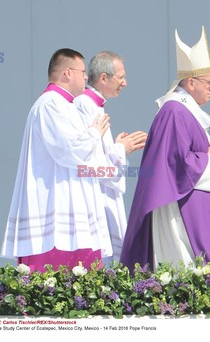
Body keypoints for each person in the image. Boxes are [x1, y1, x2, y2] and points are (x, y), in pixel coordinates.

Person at [120, 27, 210, 275]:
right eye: (208, 83)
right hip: (179, 207)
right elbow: (175, 163)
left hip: (193, 201)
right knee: (186, 271)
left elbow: (200, 155)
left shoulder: (187, 112)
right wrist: (209, 160)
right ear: (191, 82)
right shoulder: (174, 111)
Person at [1, 48, 113, 273]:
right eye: (82, 72)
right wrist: (93, 134)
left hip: (74, 201)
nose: (85, 77)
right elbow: (68, 150)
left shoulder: (67, 105)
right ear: (67, 73)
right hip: (56, 202)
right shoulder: (50, 104)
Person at [73, 51, 147, 265]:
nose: (125, 83)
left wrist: (117, 146)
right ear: (104, 78)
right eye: (121, 77)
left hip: (103, 192)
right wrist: (120, 149)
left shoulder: (94, 105)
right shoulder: (84, 105)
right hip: (95, 193)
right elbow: (87, 159)